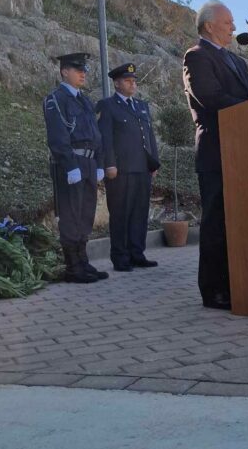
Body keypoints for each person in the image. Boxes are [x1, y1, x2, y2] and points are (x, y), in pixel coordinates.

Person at [183, 1, 248, 310]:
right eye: (227, 22)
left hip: (243, 152)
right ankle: (214, 290)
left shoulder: (236, 62)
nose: (233, 26)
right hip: (217, 151)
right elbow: (211, 97)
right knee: (217, 222)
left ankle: (240, 281)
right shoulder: (197, 56)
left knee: (240, 220)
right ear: (208, 26)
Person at [43, 53, 108, 284]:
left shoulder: (85, 100)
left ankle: (83, 261)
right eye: (77, 69)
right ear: (64, 72)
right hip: (71, 164)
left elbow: (96, 135)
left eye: (84, 70)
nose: (83, 73)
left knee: (85, 213)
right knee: (71, 215)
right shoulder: (56, 99)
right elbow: (58, 137)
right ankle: (72, 267)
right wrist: (70, 166)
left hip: (89, 163)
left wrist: (99, 163)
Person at [96, 63, 160, 272]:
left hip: (142, 168)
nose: (133, 84)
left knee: (139, 213)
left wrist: (153, 162)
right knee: (121, 214)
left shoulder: (141, 105)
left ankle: (137, 253)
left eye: (134, 81)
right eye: (128, 81)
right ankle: (120, 257)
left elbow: (149, 136)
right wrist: (109, 164)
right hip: (121, 170)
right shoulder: (108, 105)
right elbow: (105, 138)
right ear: (116, 83)